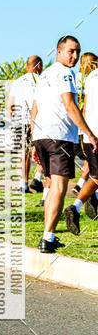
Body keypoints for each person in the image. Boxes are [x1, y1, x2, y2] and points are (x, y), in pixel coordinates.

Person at [29, 35, 98, 253]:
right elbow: (70, 105)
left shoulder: (45, 74)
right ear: (58, 51)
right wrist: (89, 133)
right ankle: (48, 239)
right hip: (59, 138)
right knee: (59, 187)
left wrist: (33, 141)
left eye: (78, 51)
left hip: (42, 136)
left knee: (51, 187)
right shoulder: (66, 74)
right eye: (71, 51)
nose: (75, 56)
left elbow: (35, 108)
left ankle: (46, 236)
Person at [63, 58, 98, 234]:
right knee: (96, 176)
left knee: (96, 175)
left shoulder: (91, 78)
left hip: (88, 133)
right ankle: (79, 205)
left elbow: (84, 108)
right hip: (94, 134)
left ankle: (80, 205)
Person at [7, 55, 43, 192]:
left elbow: (10, 106)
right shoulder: (39, 80)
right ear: (38, 66)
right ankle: (36, 179)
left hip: (18, 122)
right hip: (33, 121)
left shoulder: (17, 82)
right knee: (38, 152)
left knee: (21, 153)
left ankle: (22, 183)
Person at [71, 53, 98, 196]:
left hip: (84, 130)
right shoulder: (82, 79)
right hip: (86, 130)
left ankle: (82, 186)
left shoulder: (86, 79)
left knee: (93, 165)